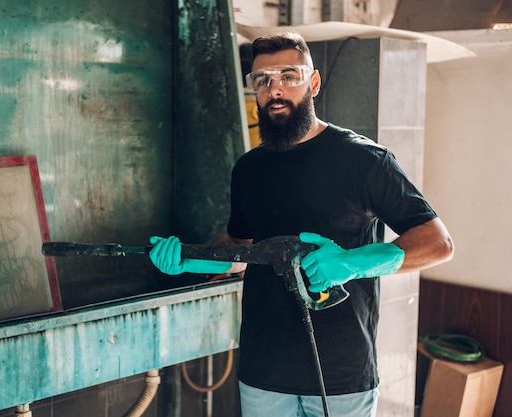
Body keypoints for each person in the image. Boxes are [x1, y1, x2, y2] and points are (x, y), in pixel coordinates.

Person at [148, 31, 454, 417]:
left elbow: (438, 242)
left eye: (288, 77)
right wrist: (190, 259)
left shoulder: (363, 160)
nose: (275, 89)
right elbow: (242, 250)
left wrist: (352, 262)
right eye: (263, 80)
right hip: (263, 372)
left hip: (340, 375)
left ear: (313, 82)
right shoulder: (249, 169)